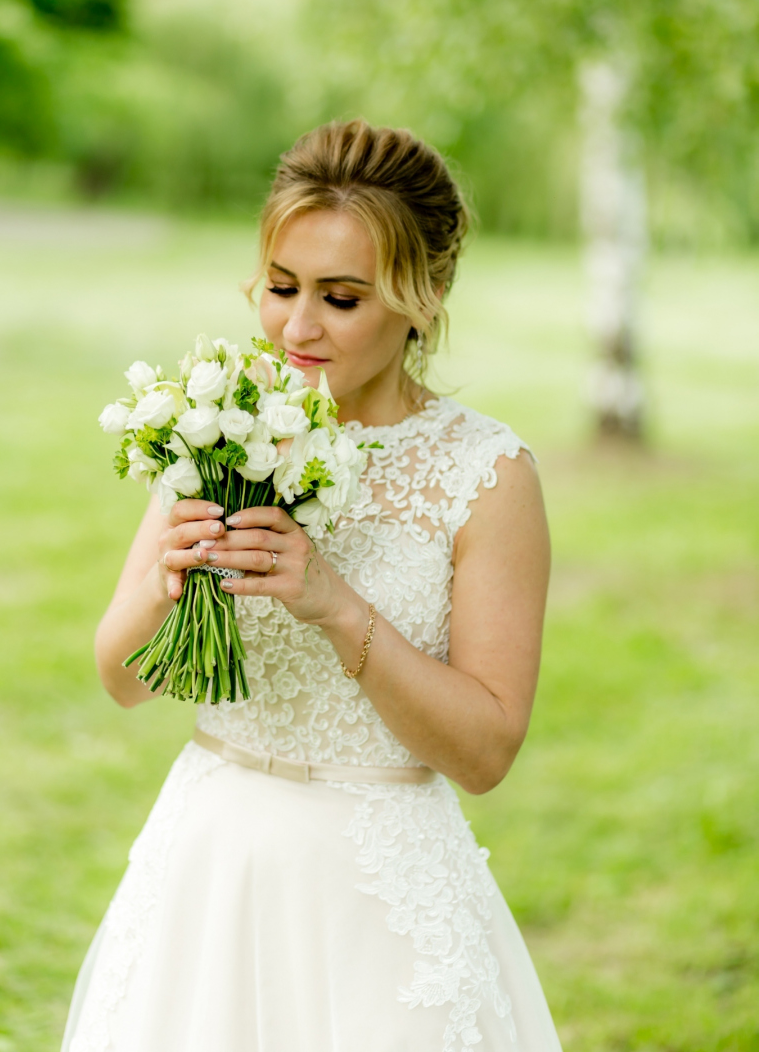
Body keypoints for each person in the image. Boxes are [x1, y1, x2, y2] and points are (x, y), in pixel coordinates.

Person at [61, 119, 561, 1052]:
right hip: (209, 867)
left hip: (381, 894)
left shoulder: (486, 475)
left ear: (427, 293)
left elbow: (487, 752)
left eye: (341, 299)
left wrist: (334, 605)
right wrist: (169, 582)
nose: (297, 328)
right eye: (282, 288)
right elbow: (122, 678)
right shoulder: (221, 421)